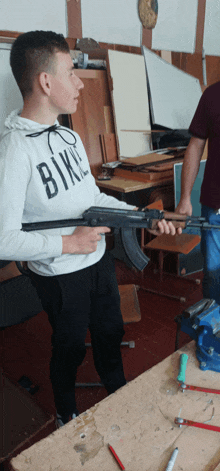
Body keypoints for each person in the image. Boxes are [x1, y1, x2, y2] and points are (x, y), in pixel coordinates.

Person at [0, 30, 179, 427]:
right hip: (61, 275)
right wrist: (68, 243)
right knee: (68, 346)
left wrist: (144, 217)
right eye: (71, 71)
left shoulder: (68, 135)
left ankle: (117, 386)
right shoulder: (14, 150)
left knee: (110, 329)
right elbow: (4, 238)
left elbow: (90, 200)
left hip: (96, 261)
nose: (80, 81)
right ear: (46, 82)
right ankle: (66, 410)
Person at [176, 81, 220, 303]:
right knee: (213, 275)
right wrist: (185, 198)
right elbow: (195, 146)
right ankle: (212, 331)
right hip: (214, 207)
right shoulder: (212, 95)